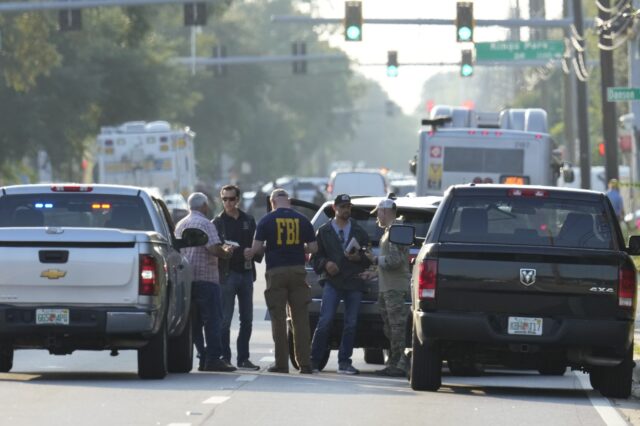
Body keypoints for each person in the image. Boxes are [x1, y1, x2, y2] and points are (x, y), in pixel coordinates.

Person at [248, 188, 317, 374]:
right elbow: (313, 247)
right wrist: (297, 247)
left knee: (278, 318)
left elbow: (256, 248)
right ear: (289, 201)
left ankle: (281, 364)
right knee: (300, 319)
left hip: (276, 272)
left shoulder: (266, 220)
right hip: (298, 271)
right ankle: (305, 363)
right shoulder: (303, 220)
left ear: (272, 202)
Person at [309, 194, 371, 375]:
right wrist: (326, 264)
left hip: (354, 282)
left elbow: (368, 258)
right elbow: (314, 257)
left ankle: (344, 362)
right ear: (335, 208)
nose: (346, 210)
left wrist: (358, 257)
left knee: (351, 323)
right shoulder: (324, 230)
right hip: (333, 281)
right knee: (325, 321)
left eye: (348, 207)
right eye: (343, 206)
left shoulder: (359, 231)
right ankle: (314, 360)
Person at [175, 192, 237, 372]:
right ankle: (213, 359)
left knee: (194, 323)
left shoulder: (180, 225)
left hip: (188, 280)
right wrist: (227, 252)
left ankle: (202, 356)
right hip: (207, 279)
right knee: (213, 321)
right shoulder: (206, 224)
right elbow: (213, 248)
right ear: (203, 206)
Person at [212, 184, 261, 371]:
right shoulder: (217, 222)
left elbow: (258, 244)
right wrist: (225, 251)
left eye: (231, 199)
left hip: (246, 273)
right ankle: (225, 357)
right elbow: (214, 248)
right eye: (224, 199)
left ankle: (243, 358)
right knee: (225, 320)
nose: (228, 203)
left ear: (238, 199)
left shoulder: (248, 219)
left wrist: (254, 252)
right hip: (227, 274)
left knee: (247, 319)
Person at [366, 198, 411, 377]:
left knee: (397, 327)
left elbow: (395, 261)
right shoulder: (389, 231)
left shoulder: (396, 231)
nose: (377, 216)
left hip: (395, 288)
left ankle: (399, 364)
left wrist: (375, 260)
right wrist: (374, 272)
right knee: (390, 328)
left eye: (378, 212)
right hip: (387, 287)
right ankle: (393, 362)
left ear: (385, 211)